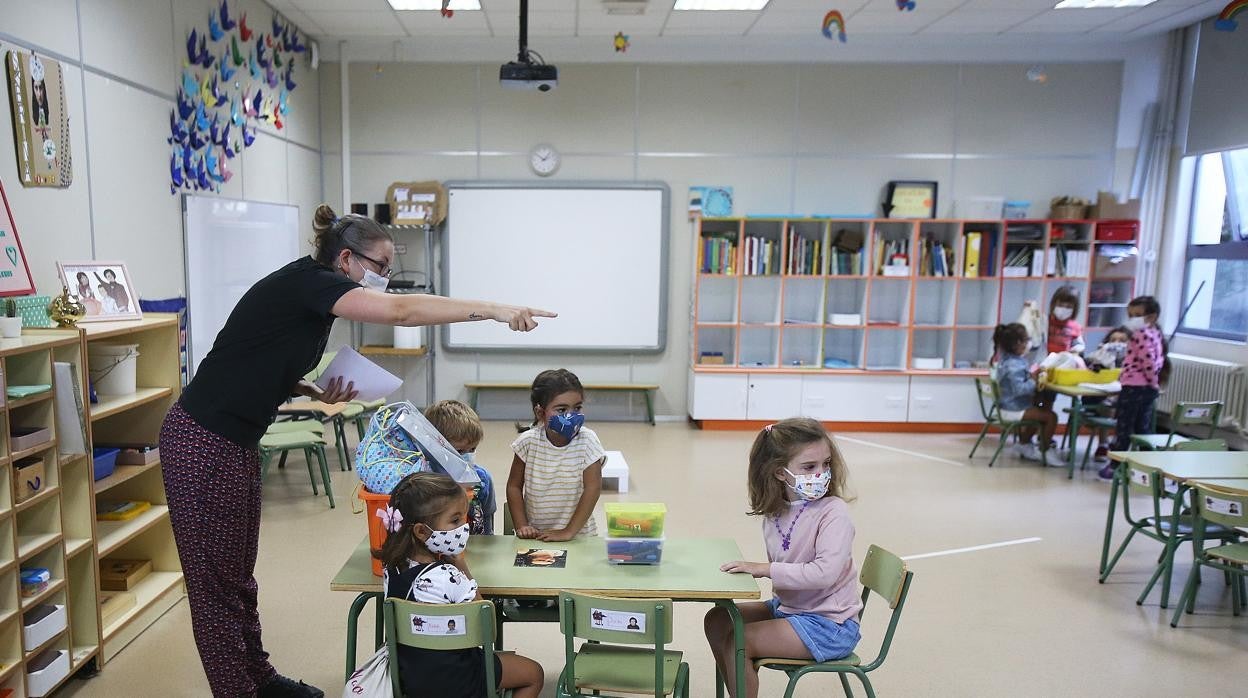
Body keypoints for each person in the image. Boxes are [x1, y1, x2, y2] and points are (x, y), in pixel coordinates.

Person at [159, 204, 554, 698]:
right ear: (346, 259)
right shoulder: (310, 283)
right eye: (381, 267)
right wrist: (495, 311)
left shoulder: (312, 294)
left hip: (235, 441)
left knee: (238, 577)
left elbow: (256, 353)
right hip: (201, 441)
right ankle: (237, 691)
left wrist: (310, 390)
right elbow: (402, 310)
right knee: (215, 590)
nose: (384, 279)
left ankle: (259, 678)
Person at [703, 418, 861, 698]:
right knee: (718, 619)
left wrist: (765, 569)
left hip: (829, 624)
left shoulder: (833, 512)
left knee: (740, 641)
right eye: (809, 467)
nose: (821, 473)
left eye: (825, 464)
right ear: (779, 472)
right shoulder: (778, 511)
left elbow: (824, 573)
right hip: (792, 608)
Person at [376, 472, 543, 698]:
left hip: (411, 676)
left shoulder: (391, 567)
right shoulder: (449, 576)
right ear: (421, 531)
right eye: (455, 520)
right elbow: (486, 629)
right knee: (533, 674)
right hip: (458, 679)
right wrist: (462, 567)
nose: (462, 527)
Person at [507, 369, 605, 542]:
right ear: (540, 413)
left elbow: (593, 488)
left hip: (580, 538)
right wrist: (522, 526)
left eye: (577, 407)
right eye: (561, 409)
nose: (571, 415)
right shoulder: (527, 443)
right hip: (537, 538)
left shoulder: (588, 441)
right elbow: (514, 487)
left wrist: (568, 532)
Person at [1102, 296, 1169, 480]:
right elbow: (1158, 360)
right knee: (1142, 429)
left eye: (1138, 315)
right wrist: (1154, 382)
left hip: (1134, 387)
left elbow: (1148, 361)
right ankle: (1146, 469)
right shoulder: (1156, 333)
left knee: (1124, 427)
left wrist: (1152, 380)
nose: (1133, 319)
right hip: (1146, 387)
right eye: (1130, 315)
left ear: (1152, 317)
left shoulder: (1141, 335)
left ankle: (1116, 466)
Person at [424, 399, 496, 535]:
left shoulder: (482, 478)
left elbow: (487, 518)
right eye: (460, 451)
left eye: (472, 449)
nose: (467, 456)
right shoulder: (425, 478)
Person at [992, 323, 1058, 464]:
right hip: (1012, 408)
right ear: (1018, 343)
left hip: (1010, 405)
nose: (1029, 343)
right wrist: (1033, 379)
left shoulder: (1010, 360)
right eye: (1027, 339)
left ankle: (1024, 444)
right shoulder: (1013, 365)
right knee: (1051, 417)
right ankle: (1045, 451)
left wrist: (1031, 377)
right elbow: (1020, 389)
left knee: (1042, 409)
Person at [1082, 326, 1131, 463]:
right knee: (1108, 404)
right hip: (1097, 398)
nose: (1117, 343)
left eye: (1122, 340)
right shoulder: (1098, 357)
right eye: (1113, 339)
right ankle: (1103, 444)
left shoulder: (1132, 363)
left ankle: (1118, 443)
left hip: (1126, 400)